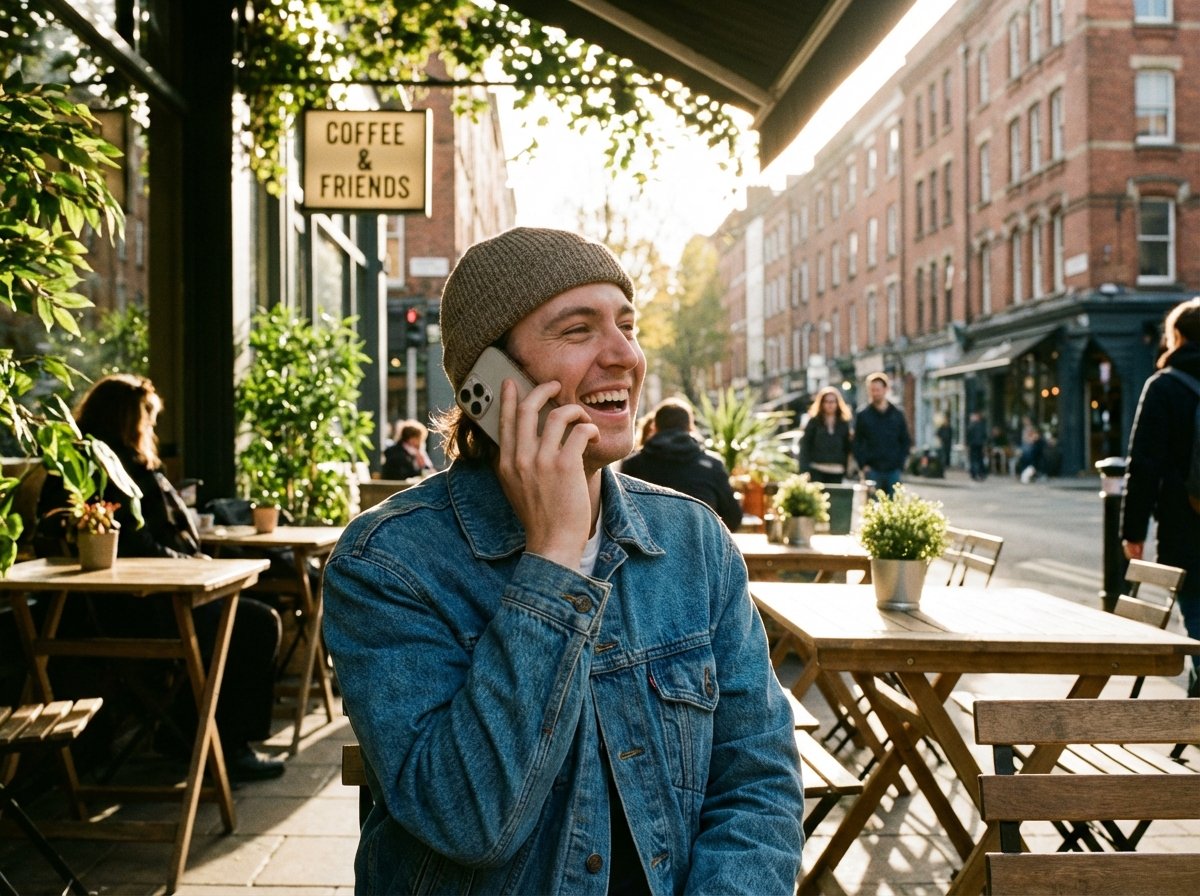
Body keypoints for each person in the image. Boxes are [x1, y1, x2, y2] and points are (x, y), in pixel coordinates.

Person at [322, 227, 803, 894]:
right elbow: (470, 822)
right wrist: (552, 561)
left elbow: (758, 782)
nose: (624, 355)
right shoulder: (387, 564)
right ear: (490, 383)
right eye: (579, 330)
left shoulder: (694, 541)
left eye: (627, 326)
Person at [35, 374, 286, 782]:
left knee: (251, 614)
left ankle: (189, 734)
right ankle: (225, 745)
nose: (152, 426)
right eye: (148, 417)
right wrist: (194, 564)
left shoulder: (108, 464)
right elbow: (136, 545)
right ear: (127, 419)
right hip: (136, 604)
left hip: (150, 596)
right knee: (254, 624)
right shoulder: (106, 469)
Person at [1121, 296, 1200, 680]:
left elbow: (1143, 467)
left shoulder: (1164, 387)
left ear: (1178, 337)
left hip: (1186, 530)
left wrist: (1133, 532)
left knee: (1198, 622)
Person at [620, 397, 743, 530]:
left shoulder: (633, 464)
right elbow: (733, 519)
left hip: (645, 542)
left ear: (654, 427)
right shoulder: (713, 466)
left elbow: (622, 515)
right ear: (690, 427)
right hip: (699, 542)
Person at [852, 371, 912, 497]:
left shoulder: (897, 414)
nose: (875, 393)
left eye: (878, 390)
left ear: (885, 389)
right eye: (872, 390)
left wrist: (900, 464)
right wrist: (863, 465)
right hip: (872, 469)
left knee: (893, 505)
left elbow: (905, 440)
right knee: (872, 504)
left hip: (893, 470)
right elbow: (857, 442)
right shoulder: (863, 415)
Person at [799, 386, 853, 484]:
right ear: (821, 403)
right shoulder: (814, 422)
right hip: (817, 469)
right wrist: (804, 469)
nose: (830, 405)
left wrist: (847, 468)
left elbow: (847, 447)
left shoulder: (843, 423)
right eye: (826, 401)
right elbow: (805, 445)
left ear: (837, 403)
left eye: (832, 401)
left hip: (837, 470)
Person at [966, 411, 989, 482]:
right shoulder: (982, 425)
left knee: (974, 459)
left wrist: (967, 444)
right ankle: (981, 473)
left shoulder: (971, 425)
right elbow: (985, 436)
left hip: (973, 444)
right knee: (979, 458)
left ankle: (975, 473)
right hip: (980, 444)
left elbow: (968, 435)